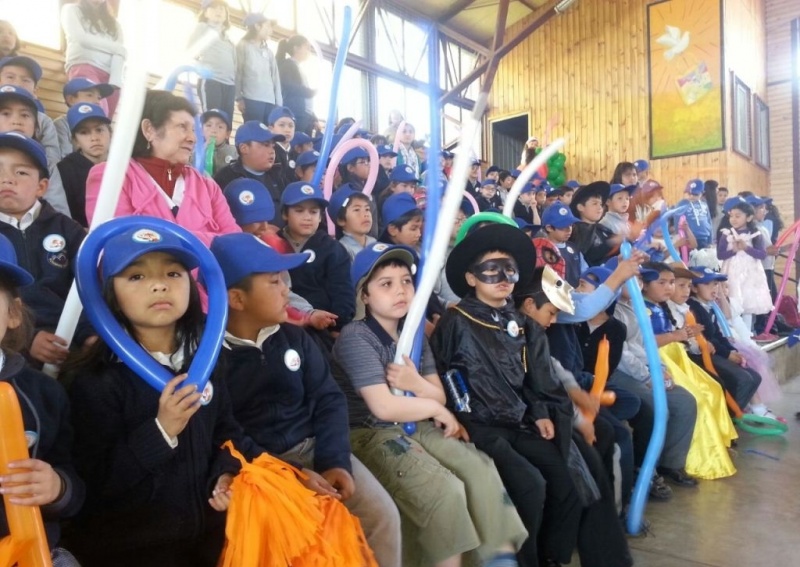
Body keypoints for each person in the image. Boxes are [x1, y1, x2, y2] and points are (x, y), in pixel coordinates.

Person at [432, 222, 632, 567]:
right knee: (531, 485)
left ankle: (552, 557)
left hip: (522, 421)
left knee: (568, 482)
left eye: (509, 269)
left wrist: (540, 409)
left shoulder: (520, 322)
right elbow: (448, 375)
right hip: (480, 425)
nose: (503, 277)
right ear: (471, 278)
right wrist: (461, 417)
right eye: (491, 270)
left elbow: (535, 377)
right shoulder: (456, 321)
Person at [211, 233, 402, 566]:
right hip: (260, 468)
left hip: (316, 448)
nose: (287, 289)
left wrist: (335, 461)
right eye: (274, 282)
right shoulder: (211, 357)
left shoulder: (296, 338)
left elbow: (328, 399)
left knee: (381, 516)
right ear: (236, 299)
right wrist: (293, 473)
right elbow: (224, 429)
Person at [333, 243, 528, 567]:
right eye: (386, 284)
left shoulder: (413, 337)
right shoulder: (356, 337)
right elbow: (383, 407)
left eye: (406, 281)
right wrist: (436, 409)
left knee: (480, 468)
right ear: (364, 296)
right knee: (444, 490)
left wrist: (415, 385)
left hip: (416, 425)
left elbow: (437, 394)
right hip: (370, 433)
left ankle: (499, 558)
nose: (400, 291)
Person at [0, 234, 85, 562]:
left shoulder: (44, 394)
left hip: (33, 552)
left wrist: (57, 488)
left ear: (13, 314)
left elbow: (74, 482)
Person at [85, 90, 240, 246]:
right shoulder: (111, 177)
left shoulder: (207, 187)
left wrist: (160, 237)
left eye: (193, 129)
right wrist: (212, 241)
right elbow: (119, 246)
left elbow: (236, 244)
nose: (192, 138)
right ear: (149, 130)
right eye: (182, 127)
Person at [0, 132, 94, 367]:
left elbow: (88, 288)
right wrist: (27, 339)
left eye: (20, 172)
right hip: (9, 344)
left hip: (68, 340)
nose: (7, 180)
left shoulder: (68, 230)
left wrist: (89, 334)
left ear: (42, 186)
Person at [639, 262, 737, 480]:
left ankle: (715, 443)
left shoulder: (660, 306)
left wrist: (683, 334)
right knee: (697, 399)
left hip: (676, 356)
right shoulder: (643, 308)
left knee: (712, 388)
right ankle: (687, 459)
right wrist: (677, 336)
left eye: (672, 283)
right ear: (644, 285)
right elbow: (645, 342)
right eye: (662, 282)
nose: (669, 288)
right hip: (661, 358)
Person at [612, 263, 699, 493]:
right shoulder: (612, 309)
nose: (637, 284)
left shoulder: (635, 306)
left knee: (685, 401)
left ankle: (671, 463)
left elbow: (644, 344)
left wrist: (659, 368)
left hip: (642, 367)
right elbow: (620, 354)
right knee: (655, 407)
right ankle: (643, 470)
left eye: (639, 280)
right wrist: (647, 376)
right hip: (619, 371)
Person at [279, 182, 354, 336]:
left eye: (313, 212)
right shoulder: (273, 244)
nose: (307, 217)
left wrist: (337, 327)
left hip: (322, 328)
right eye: (299, 211)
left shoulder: (332, 249)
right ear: (285, 214)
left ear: (320, 217)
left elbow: (342, 291)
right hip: (282, 323)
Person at [685, 268, 763, 413]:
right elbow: (706, 338)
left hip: (717, 351)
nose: (714, 288)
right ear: (694, 288)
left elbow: (718, 334)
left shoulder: (708, 306)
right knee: (742, 379)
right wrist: (727, 354)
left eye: (715, 284)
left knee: (755, 377)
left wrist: (732, 351)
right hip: (702, 355)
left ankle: (736, 411)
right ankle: (727, 415)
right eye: (708, 284)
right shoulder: (692, 307)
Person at [0, 82, 70, 216]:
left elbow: (59, 210)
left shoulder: (46, 163)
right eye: (6, 113)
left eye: (25, 115)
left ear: (36, 127)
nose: (17, 121)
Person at [213, 120, 289, 227]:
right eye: (266, 145)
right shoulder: (225, 178)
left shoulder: (278, 176)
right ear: (244, 148)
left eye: (273, 146)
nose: (272, 151)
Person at [60, 0, 124, 118]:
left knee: (106, 120)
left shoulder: (115, 24)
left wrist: (115, 82)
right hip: (84, 65)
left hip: (110, 77)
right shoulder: (71, 10)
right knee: (94, 112)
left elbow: (119, 54)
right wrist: (116, 48)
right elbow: (80, 38)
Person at [716, 197, 772, 326]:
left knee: (748, 301)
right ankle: (734, 330)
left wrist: (746, 248)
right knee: (732, 298)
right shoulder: (726, 233)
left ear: (748, 217)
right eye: (732, 216)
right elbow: (720, 255)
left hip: (750, 272)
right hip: (731, 271)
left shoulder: (756, 234)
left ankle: (748, 332)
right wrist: (733, 251)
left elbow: (762, 254)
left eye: (738, 216)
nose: (733, 219)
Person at [56, 103, 111, 227]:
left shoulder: (124, 165)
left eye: (99, 130)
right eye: (84, 132)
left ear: (110, 133)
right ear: (76, 141)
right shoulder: (65, 169)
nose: (94, 138)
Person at [189, 0, 236, 120]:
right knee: (213, 120)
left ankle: (223, 140)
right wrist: (201, 67)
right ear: (205, 13)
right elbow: (190, 51)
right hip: (212, 81)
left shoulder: (227, 38)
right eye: (214, 8)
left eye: (222, 8)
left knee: (226, 123)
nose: (219, 11)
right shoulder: (203, 27)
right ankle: (212, 140)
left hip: (229, 84)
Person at [236, 13, 282, 124]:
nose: (271, 30)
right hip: (252, 99)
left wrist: (279, 104)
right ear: (257, 26)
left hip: (270, 101)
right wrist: (239, 98)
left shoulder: (268, 51)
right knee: (254, 134)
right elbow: (238, 72)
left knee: (268, 136)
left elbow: (275, 78)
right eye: (268, 26)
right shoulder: (243, 45)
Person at [53, 77, 114, 161]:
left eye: (99, 98)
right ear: (71, 99)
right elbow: (64, 157)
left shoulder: (104, 123)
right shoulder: (61, 124)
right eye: (90, 95)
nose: (97, 101)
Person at [569, 182, 620, 266]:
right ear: (580, 207)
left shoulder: (602, 228)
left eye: (600, 204)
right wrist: (612, 242)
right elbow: (587, 255)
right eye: (594, 203)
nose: (600, 207)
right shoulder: (577, 231)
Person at [276, 34, 316, 135]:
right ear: (296, 48)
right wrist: (308, 92)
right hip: (296, 113)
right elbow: (288, 85)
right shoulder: (287, 65)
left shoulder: (298, 68)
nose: (309, 51)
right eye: (306, 47)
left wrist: (313, 116)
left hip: (305, 115)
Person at [329, 184, 376, 259]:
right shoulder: (341, 250)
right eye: (357, 210)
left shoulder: (374, 243)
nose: (366, 214)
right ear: (341, 220)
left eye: (367, 209)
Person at [199, 108, 237, 176]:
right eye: (209, 125)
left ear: (227, 134)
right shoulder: (195, 150)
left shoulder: (234, 152)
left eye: (220, 127)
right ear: (201, 131)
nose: (213, 130)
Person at [678, 179, 712, 249]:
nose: (691, 196)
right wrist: (681, 236)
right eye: (689, 194)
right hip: (688, 239)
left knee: (702, 259)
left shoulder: (704, 205)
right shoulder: (682, 204)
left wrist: (710, 241)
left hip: (704, 238)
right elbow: (677, 221)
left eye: (695, 194)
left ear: (702, 193)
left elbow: (709, 222)